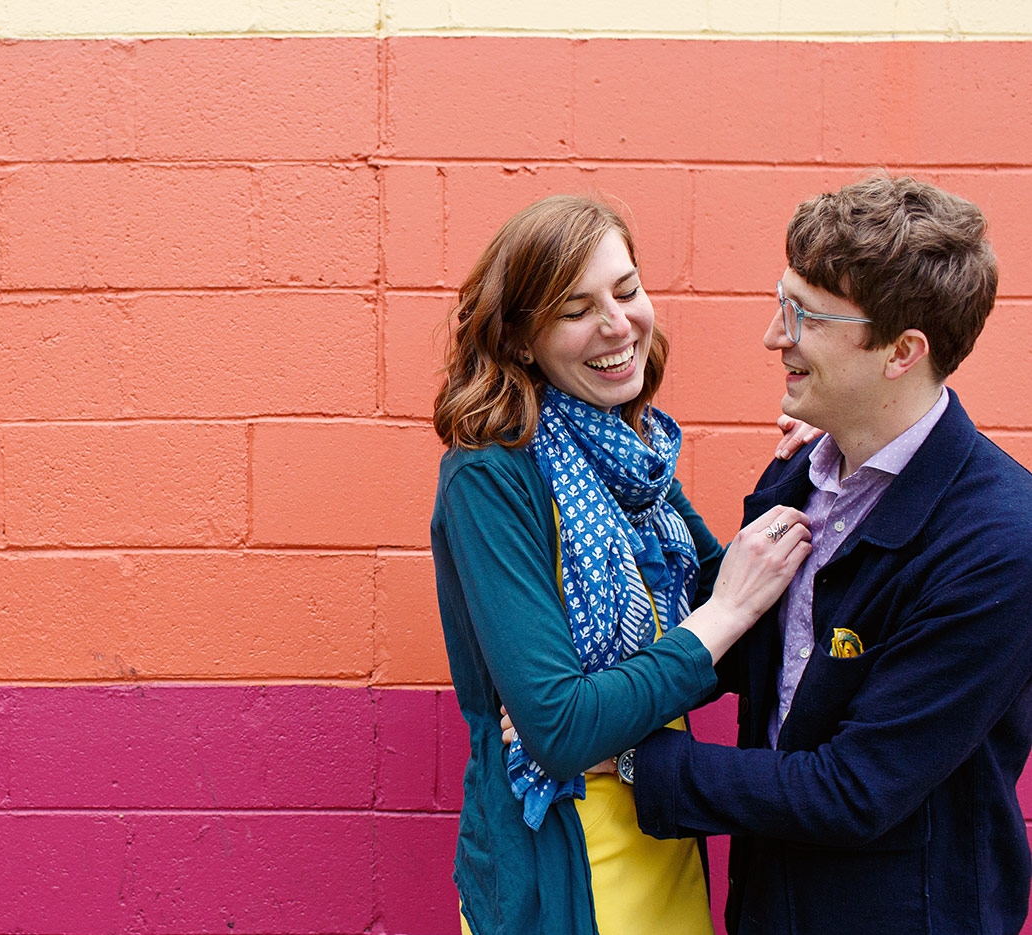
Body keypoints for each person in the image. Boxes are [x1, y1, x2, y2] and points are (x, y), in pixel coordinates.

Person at [620, 176, 1032, 935]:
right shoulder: (799, 476)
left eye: (804, 316)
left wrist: (627, 762)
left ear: (902, 352)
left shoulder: (999, 542)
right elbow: (740, 651)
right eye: (783, 303)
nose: (774, 337)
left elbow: (857, 788)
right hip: (767, 907)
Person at [431, 194, 813, 935]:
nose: (617, 325)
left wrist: (814, 465)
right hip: (562, 867)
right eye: (576, 310)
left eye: (627, 290)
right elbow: (563, 729)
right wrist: (723, 615)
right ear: (521, 341)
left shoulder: (629, 455)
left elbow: (732, 625)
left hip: (659, 839)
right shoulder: (491, 476)